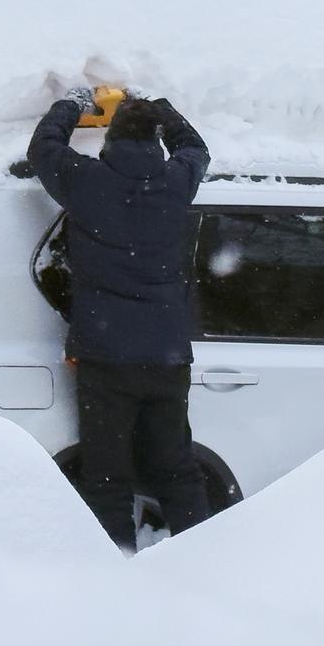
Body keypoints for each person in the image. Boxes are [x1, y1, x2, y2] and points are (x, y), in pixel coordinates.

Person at [26, 89, 212, 553]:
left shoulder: (88, 183)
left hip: (105, 358)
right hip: (167, 357)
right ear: (155, 140)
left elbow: (42, 149)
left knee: (108, 476)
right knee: (177, 470)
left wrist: (71, 103)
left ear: (110, 138)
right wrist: (165, 109)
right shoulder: (175, 182)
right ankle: (205, 560)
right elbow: (197, 149)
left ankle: (119, 571)